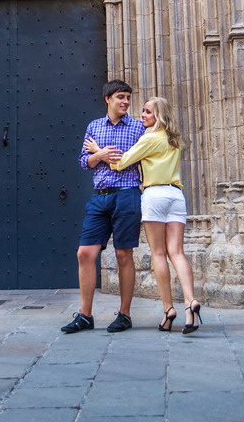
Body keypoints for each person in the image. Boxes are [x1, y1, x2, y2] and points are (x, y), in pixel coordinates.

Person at [85, 96, 202, 334]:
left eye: (148, 112)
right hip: (176, 196)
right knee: (177, 252)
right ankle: (191, 303)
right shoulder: (173, 139)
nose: (143, 116)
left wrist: (98, 150)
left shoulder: (150, 138)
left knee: (159, 253)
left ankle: (169, 308)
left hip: (155, 196)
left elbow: (120, 162)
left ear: (158, 115)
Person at [60, 79, 145, 334]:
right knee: (84, 253)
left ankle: (125, 314)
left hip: (127, 194)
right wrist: (100, 155)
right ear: (107, 99)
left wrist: (107, 156)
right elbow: (84, 161)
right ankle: (85, 316)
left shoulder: (139, 128)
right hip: (100, 197)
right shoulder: (94, 126)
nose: (126, 102)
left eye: (128, 98)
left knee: (123, 255)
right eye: (121, 97)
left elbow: (130, 159)